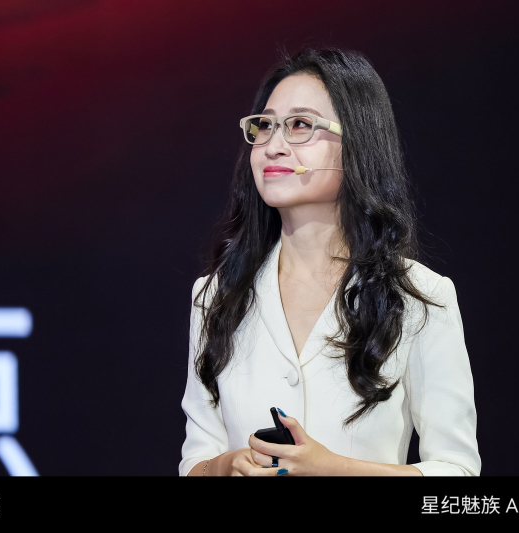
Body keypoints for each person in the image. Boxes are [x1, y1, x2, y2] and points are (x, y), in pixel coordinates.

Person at [179, 46, 480, 476]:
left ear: (357, 141)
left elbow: (457, 470)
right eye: (265, 126)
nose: (273, 146)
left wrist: (334, 469)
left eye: (300, 125)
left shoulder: (420, 297)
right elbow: (195, 458)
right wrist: (224, 466)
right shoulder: (215, 296)